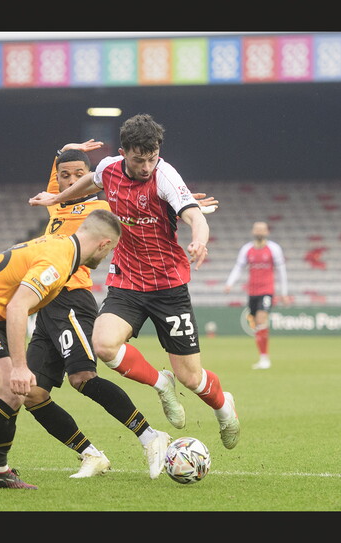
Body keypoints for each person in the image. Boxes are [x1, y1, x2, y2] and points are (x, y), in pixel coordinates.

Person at [29, 113, 240, 450]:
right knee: (104, 345)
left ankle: (223, 405)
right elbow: (91, 180)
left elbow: (194, 216)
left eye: (152, 158)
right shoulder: (109, 168)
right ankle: (160, 383)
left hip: (168, 285)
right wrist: (56, 198)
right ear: (124, 152)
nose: (146, 166)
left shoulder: (165, 177)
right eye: (139, 159)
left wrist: (199, 239)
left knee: (192, 378)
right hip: (126, 281)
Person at [0, 208, 122, 499]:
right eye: (111, 250)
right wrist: (21, 366)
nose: (108, 257)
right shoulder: (59, 261)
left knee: (16, 393)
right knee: (12, 391)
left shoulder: (62, 247)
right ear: (103, 244)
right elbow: (18, 306)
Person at [21, 140, 172, 480]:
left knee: (83, 378)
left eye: (79, 174)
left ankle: (151, 437)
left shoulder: (101, 205)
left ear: (89, 177)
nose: (69, 179)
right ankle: (91, 455)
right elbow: (59, 169)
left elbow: (137, 197)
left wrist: (182, 204)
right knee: (31, 394)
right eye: (63, 175)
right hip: (45, 307)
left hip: (72, 299)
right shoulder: (56, 204)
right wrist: (66, 149)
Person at [223, 221, 290, 369]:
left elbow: (281, 271)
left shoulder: (274, 249)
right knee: (257, 325)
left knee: (261, 319)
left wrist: (284, 293)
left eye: (262, 229)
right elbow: (238, 268)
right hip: (252, 292)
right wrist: (230, 283)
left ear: (267, 232)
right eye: (257, 229)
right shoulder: (246, 249)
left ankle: (265, 358)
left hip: (267, 291)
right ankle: (262, 357)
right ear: (253, 231)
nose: (259, 232)